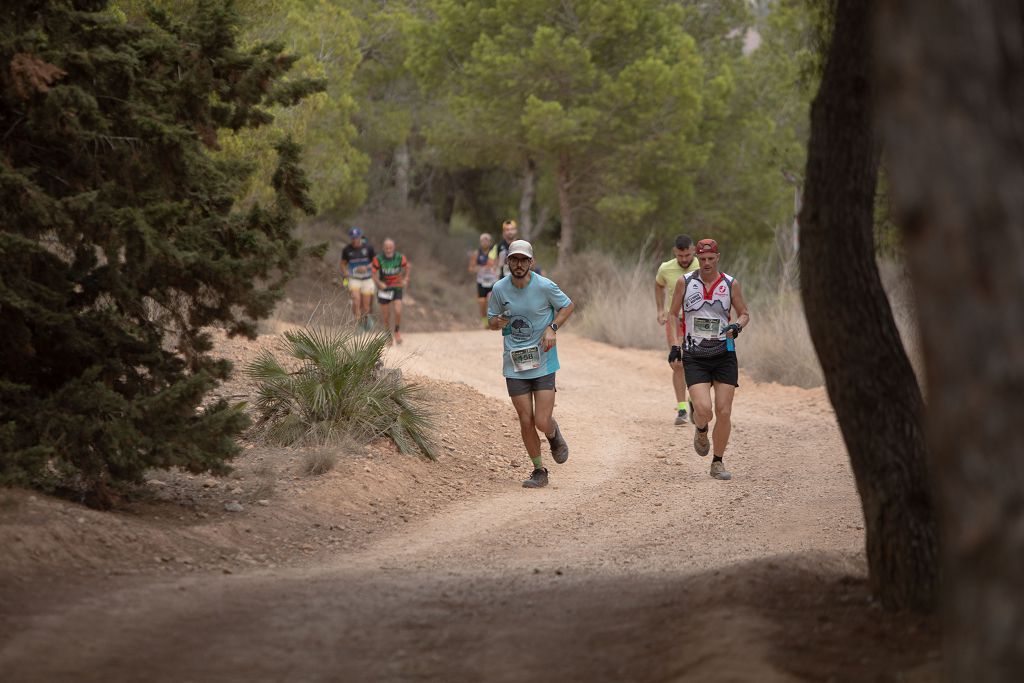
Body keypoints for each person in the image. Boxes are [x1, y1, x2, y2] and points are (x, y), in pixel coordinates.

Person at [487, 240, 575, 489]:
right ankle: (539, 470)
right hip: (514, 364)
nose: (518, 264)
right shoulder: (499, 289)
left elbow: (568, 306)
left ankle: (553, 434)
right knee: (525, 419)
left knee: (541, 420)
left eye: (523, 260)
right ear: (508, 262)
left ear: (531, 262)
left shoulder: (545, 286)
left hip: (544, 361)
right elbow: (491, 320)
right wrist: (498, 322)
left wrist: (552, 327)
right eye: (514, 259)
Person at [668, 238, 750, 481]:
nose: (706, 263)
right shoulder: (685, 282)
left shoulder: (730, 283)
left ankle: (717, 462)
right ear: (697, 258)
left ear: (717, 258)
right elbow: (673, 314)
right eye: (702, 259)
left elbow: (744, 313)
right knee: (704, 410)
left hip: (724, 354)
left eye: (710, 259)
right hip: (695, 356)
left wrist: (737, 326)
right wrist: (675, 346)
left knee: (724, 412)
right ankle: (701, 429)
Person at [655, 235, 699, 425]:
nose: (684, 259)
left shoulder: (703, 265)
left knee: (696, 363)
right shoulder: (666, 268)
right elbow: (658, 285)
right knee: (677, 362)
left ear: (694, 250)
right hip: (675, 320)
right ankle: (682, 408)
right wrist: (659, 309)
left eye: (687, 255)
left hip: (697, 321)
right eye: (680, 256)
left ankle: (694, 400)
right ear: (675, 252)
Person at [371, 238, 410, 345]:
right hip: (384, 289)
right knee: (386, 315)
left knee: (398, 310)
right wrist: (379, 283)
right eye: (386, 248)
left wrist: (406, 279)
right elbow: (373, 274)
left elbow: (407, 268)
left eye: (390, 248)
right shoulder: (378, 259)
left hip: (397, 287)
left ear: (394, 248)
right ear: (383, 248)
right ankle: (388, 335)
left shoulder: (400, 257)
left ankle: (397, 331)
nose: (388, 250)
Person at [341, 227, 375, 330]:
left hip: (367, 279)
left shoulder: (368, 248)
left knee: (366, 306)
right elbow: (343, 264)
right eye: (352, 238)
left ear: (360, 237)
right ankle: (358, 325)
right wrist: (345, 272)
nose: (354, 240)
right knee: (356, 301)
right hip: (353, 278)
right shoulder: (347, 250)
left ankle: (366, 322)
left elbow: (376, 262)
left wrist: (366, 267)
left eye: (356, 237)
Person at [469, 232, 498, 328]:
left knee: (492, 299)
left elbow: (499, 264)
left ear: (490, 242)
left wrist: (495, 268)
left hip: (493, 280)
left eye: (487, 240)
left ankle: (494, 321)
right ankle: (485, 322)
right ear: (480, 242)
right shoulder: (476, 253)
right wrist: (479, 268)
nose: (485, 242)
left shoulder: (494, 253)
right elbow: (471, 268)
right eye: (483, 240)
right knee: (482, 302)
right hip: (481, 281)